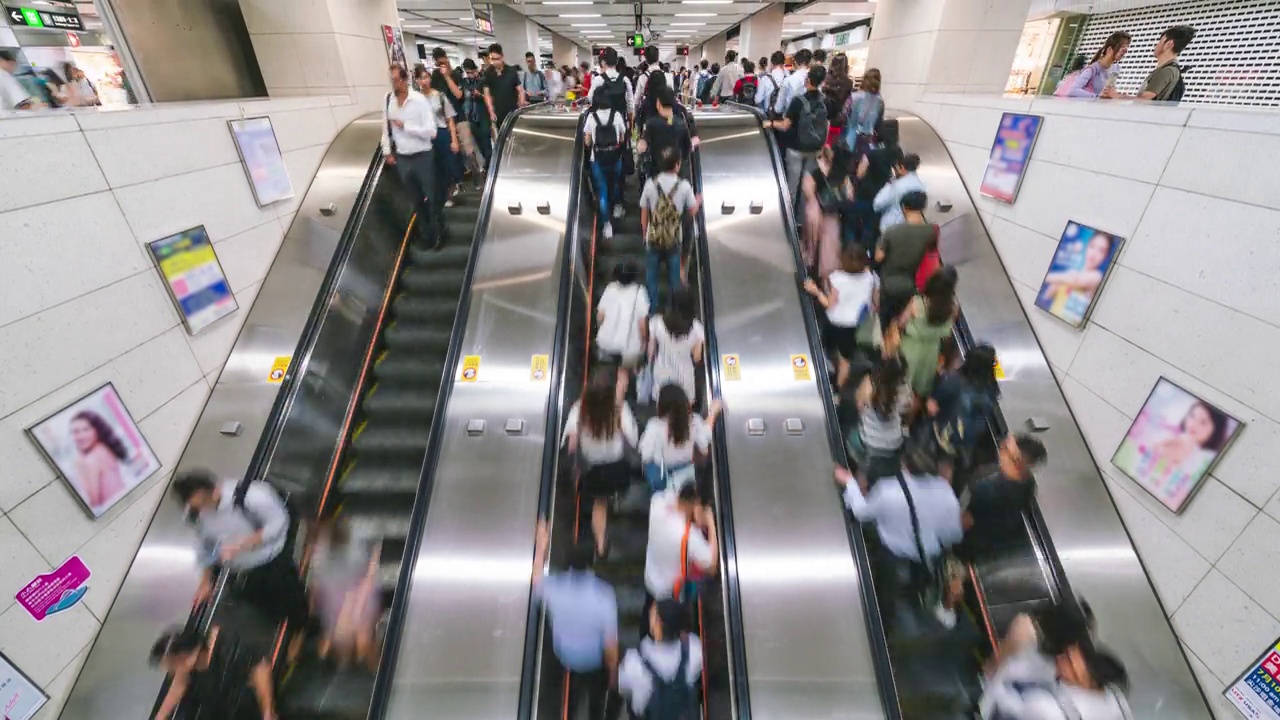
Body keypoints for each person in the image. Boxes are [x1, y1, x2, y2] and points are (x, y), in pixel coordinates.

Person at [171, 472, 310, 653]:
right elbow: (203, 546)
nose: (204, 510)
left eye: (205, 503)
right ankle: (287, 623)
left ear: (216, 489)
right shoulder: (196, 515)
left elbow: (279, 522)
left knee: (290, 595)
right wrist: (205, 582)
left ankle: (303, 627)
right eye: (198, 507)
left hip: (271, 557)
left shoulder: (251, 495)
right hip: (243, 569)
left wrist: (244, 544)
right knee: (265, 603)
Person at [834, 442, 963, 610]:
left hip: (891, 552)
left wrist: (849, 481)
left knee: (884, 588)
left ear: (903, 463)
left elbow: (861, 513)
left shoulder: (887, 490)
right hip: (926, 557)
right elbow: (953, 535)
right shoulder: (945, 491)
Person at [981, 604, 1132, 720]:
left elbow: (989, 703)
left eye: (1070, 664)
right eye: (1065, 655)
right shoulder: (1110, 694)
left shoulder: (1047, 710)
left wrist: (1007, 650)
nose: (1061, 660)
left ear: (1089, 682)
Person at [533, 521, 620, 720]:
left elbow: (536, 579)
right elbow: (611, 648)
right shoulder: (604, 595)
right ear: (591, 562)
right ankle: (596, 713)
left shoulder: (554, 587)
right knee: (598, 691)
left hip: (564, 655)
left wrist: (541, 546)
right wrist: (614, 676)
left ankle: (569, 708)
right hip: (594, 660)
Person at [563, 369, 639, 556]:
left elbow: (570, 444)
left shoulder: (580, 409)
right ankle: (616, 497)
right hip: (617, 469)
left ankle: (600, 542)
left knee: (599, 503)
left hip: (592, 471)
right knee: (608, 495)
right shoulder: (620, 409)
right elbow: (634, 440)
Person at [150, 627, 277, 720]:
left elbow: (260, 667)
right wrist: (160, 717)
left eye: (172, 666)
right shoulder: (188, 671)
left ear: (185, 657)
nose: (172, 672)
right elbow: (178, 686)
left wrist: (267, 712)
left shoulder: (227, 646)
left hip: (252, 704)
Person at [308, 515, 381, 669]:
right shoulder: (321, 550)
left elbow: (368, 574)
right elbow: (320, 581)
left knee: (363, 634)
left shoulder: (356, 542)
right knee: (350, 632)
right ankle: (354, 657)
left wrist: (355, 606)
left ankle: (373, 662)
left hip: (357, 590)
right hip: (338, 595)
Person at [381, 64, 442, 247]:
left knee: (431, 197)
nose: (395, 84)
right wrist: (386, 151)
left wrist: (407, 127)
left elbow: (432, 132)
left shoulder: (419, 101)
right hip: (403, 158)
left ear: (405, 80)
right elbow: (385, 127)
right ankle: (427, 234)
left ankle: (439, 230)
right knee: (415, 200)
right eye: (392, 80)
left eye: (398, 80)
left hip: (423, 156)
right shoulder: (388, 101)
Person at [804, 245, 879, 389]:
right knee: (846, 358)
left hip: (835, 322)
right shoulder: (870, 277)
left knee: (826, 345)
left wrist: (816, 291)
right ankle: (839, 388)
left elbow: (830, 304)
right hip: (853, 323)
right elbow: (874, 300)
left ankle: (826, 367)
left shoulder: (837, 279)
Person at [962, 434, 1048, 558]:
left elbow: (965, 522)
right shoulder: (1028, 485)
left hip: (972, 547)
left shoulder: (987, 488)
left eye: (1005, 449)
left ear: (1017, 462)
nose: (1000, 450)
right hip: (997, 553)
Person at [618, 600, 703, 719]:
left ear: (658, 624)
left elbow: (622, 688)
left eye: (652, 615)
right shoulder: (694, 649)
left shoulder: (633, 661)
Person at [643, 481, 719, 612]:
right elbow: (711, 566)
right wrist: (710, 522)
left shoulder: (657, 503)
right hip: (669, 593)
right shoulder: (688, 535)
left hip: (650, 576)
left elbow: (669, 495)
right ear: (692, 505)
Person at [640, 149, 700, 308]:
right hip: (674, 240)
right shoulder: (685, 186)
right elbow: (693, 211)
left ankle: (652, 315)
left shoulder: (650, 184)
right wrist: (698, 201)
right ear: (677, 165)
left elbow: (644, 212)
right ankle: (672, 313)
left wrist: (645, 233)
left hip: (653, 239)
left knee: (651, 280)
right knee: (674, 281)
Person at [927, 343, 1000, 476]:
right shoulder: (992, 387)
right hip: (969, 437)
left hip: (946, 432)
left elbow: (932, 406)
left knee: (944, 461)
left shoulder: (954, 381)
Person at [766, 64, 829, 208]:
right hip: (814, 149)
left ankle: (789, 220)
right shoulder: (825, 101)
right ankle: (802, 221)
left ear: (807, 80)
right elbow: (826, 124)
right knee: (807, 188)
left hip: (796, 149)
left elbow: (785, 125)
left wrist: (770, 123)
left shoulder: (798, 101)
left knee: (792, 187)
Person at [640, 384, 721, 494]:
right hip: (687, 476)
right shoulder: (694, 421)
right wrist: (712, 414)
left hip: (662, 478)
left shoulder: (654, 425)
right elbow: (703, 446)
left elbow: (646, 455)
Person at [847, 356, 913, 485]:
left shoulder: (868, 384)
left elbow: (858, 406)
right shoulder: (904, 390)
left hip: (868, 444)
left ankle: (861, 485)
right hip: (894, 445)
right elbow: (908, 413)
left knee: (852, 435)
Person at [875, 189, 933, 327]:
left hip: (888, 284)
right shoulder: (931, 233)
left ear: (903, 207)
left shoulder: (893, 231)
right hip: (911, 286)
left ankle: (883, 340)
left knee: (883, 317)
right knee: (900, 317)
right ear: (922, 208)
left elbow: (878, 257)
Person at [899, 266, 958, 401]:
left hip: (909, 348)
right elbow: (947, 334)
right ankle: (908, 419)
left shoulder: (917, 302)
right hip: (931, 353)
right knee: (919, 391)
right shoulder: (953, 308)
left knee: (901, 382)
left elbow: (901, 322)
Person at [799, 143, 853, 282]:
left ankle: (809, 271)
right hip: (832, 216)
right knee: (828, 254)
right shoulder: (844, 175)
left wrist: (813, 202)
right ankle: (826, 285)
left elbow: (807, 189)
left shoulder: (819, 169)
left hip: (816, 211)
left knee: (811, 245)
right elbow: (849, 197)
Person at [1104, 25, 1195, 102]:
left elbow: (1144, 100)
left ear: (1169, 44)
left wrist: (1116, 96)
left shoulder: (1167, 71)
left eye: (1160, 41)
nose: (1156, 45)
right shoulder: (1170, 70)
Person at [1037, 231, 1116, 318]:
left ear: (1106, 256)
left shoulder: (1096, 277)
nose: (1094, 254)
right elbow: (1045, 299)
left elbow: (1075, 280)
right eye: (1092, 246)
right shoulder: (1070, 273)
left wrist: (1045, 277)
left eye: (1101, 251)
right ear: (1087, 246)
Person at [584, 88, 629, 239]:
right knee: (615, 183)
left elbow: (588, 141)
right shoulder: (616, 115)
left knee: (602, 192)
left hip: (597, 159)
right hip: (615, 157)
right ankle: (617, 208)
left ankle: (607, 226)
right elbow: (622, 138)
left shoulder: (591, 117)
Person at [849, 117, 900, 248]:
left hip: (865, 194)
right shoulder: (897, 153)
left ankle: (851, 251)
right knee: (871, 228)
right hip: (882, 197)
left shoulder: (872, 152)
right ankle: (867, 254)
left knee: (852, 224)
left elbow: (860, 173)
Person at [433, 48, 480, 188]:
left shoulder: (455, 74)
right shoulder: (434, 77)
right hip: (445, 121)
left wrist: (447, 76)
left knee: (469, 151)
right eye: (439, 63)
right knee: (451, 154)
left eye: (444, 61)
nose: (442, 65)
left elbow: (459, 95)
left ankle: (478, 180)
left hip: (460, 118)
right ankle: (456, 183)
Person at [417, 66, 461, 212]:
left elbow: (449, 119)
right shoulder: (416, 99)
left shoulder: (440, 96)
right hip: (425, 136)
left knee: (446, 166)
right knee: (431, 167)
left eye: (426, 77)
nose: (424, 81)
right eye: (421, 78)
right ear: (416, 80)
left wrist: (454, 140)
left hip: (441, 132)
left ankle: (448, 194)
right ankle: (436, 196)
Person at [596, 260, 650, 369]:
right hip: (628, 349)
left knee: (607, 370)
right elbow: (642, 325)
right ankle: (623, 381)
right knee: (624, 373)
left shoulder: (610, 288)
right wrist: (645, 343)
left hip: (605, 344)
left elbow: (600, 317)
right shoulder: (640, 291)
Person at [69, 410, 127, 512]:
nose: (81, 436)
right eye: (76, 431)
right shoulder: (104, 448)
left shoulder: (92, 459)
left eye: (86, 429)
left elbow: (95, 503)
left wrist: (79, 468)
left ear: (96, 430)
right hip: (124, 501)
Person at [1056, 32, 1130, 98]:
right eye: (1122, 47)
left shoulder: (1115, 68)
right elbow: (1072, 91)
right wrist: (1097, 96)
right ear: (1110, 50)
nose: (1125, 50)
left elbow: (1109, 91)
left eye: (1127, 47)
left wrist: (1119, 96)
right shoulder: (1092, 70)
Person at [873, 153, 925, 232]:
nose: (895, 170)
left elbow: (877, 204)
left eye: (897, 168)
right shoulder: (921, 187)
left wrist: (888, 185)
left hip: (890, 227)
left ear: (903, 168)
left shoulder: (896, 185)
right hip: (909, 229)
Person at [460, 58, 492, 183]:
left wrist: (481, 96)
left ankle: (489, 168)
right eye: (467, 73)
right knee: (479, 145)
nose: (470, 75)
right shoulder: (465, 84)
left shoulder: (483, 81)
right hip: (472, 118)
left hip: (483, 116)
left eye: (471, 72)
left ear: (476, 70)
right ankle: (485, 167)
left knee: (486, 144)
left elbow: (489, 98)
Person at [842, 68, 884, 157]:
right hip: (868, 141)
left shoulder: (854, 96)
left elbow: (844, 115)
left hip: (850, 138)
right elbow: (878, 124)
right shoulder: (880, 102)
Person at [482, 43, 525, 129]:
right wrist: (491, 111)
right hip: (498, 113)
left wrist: (521, 105)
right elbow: (487, 94)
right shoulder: (488, 73)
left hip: (512, 112)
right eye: (492, 59)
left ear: (502, 57)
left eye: (497, 59)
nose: (494, 62)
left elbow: (520, 90)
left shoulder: (511, 71)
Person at [823, 53, 855, 147]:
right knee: (834, 146)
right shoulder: (849, 83)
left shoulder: (827, 79)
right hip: (839, 120)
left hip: (825, 118)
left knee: (823, 147)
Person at [756, 50, 787, 116]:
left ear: (772, 63)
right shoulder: (788, 78)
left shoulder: (765, 78)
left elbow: (758, 100)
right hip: (784, 116)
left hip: (769, 114)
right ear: (783, 63)